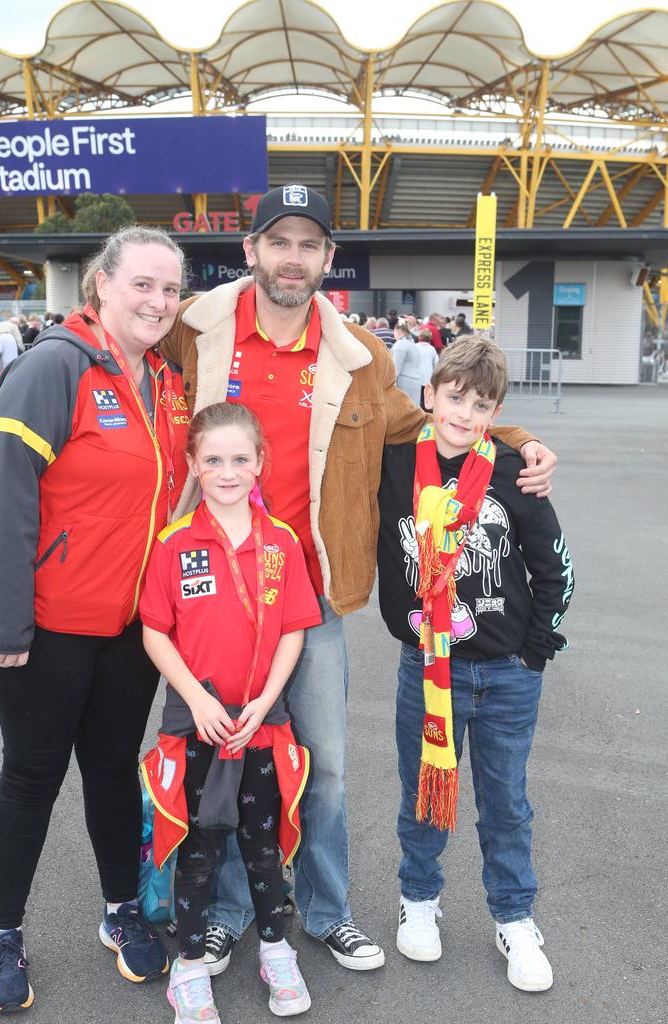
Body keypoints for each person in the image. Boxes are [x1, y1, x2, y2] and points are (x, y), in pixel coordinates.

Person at [160, 183, 558, 974]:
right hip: (211, 591)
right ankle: (229, 913)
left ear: (328, 261)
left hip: (311, 600)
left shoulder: (360, 357)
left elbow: (428, 425)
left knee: (327, 769)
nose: (293, 258)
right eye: (279, 242)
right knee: (223, 759)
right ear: (251, 251)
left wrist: (516, 438)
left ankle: (327, 911)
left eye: (310, 245)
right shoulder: (194, 331)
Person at [0, 225, 191, 1014]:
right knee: (31, 777)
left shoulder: (165, 384)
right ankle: (3, 935)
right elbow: (2, 496)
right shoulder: (55, 365)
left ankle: (120, 909)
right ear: (102, 284)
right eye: (143, 284)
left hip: (131, 633)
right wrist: (5, 626)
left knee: (109, 772)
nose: (158, 301)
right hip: (47, 629)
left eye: (170, 289)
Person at [377, 336, 574, 993]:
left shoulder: (514, 468)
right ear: (428, 395)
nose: (464, 413)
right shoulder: (394, 462)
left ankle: (515, 915)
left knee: (507, 801)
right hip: (426, 667)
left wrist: (535, 649)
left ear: (494, 412)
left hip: (508, 672)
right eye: (454, 397)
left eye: (481, 404)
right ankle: (420, 897)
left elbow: (553, 567)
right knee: (423, 793)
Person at [140, 402, 322, 1022]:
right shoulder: (173, 542)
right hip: (198, 726)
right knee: (198, 850)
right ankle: (189, 966)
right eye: (212, 460)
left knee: (264, 847)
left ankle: (277, 951)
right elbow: (155, 632)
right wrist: (197, 698)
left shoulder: (283, 542)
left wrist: (267, 704)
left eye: (239, 459)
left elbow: (295, 629)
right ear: (193, 464)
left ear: (260, 464)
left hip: (260, 728)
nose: (226, 471)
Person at [391, 318, 422, 401]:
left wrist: (390, 383)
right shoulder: (412, 343)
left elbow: (395, 367)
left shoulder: (400, 345)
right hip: (415, 380)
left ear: (398, 331)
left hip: (404, 382)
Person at [416, 328, 439, 410]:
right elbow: (437, 364)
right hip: (428, 378)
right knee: (426, 399)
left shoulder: (414, 347)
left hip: (416, 377)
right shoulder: (432, 349)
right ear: (430, 338)